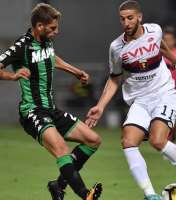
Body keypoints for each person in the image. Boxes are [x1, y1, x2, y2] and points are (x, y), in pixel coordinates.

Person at [86, 1, 176, 200]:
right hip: (139, 100)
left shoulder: (154, 30)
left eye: (130, 18)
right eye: (122, 19)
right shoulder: (116, 48)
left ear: (139, 17)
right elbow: (114, 78)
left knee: (158, 141)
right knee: (128, 141)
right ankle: (150, 195)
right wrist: (100, 106)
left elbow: (160, 45)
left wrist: (173, 59)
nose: (126, 22)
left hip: (164, 93)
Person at [0, 3, 102, 200]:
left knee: (93, 140)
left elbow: (51, 58)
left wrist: (75, 71)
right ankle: (85, 195)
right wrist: (12, 77)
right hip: (32, 112)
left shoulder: (46, 42)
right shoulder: (22, 46)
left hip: (51, 109)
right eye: (53, 28)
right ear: (39, 26)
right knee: (62, 149)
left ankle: (57, 186)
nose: (57, 31)